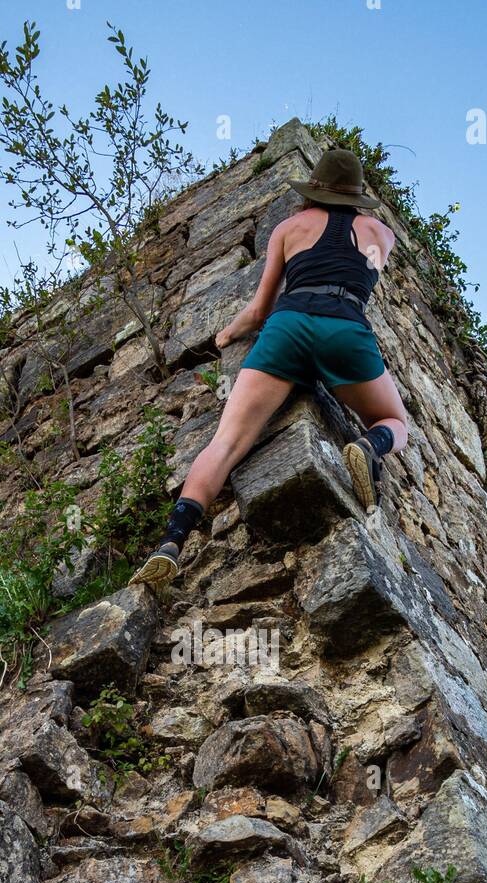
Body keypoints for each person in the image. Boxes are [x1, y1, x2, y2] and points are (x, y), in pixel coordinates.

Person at [130, 147, 409, 588]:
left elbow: (260, 310)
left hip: (287, 326)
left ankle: (171, 543)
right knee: (395, 419)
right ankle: (371, 446)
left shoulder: (288, 228)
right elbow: (364, 270)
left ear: (313, 188)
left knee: (226, 442)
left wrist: (226, 335)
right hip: (346, 330)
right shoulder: (381, 234)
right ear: (356, 196)